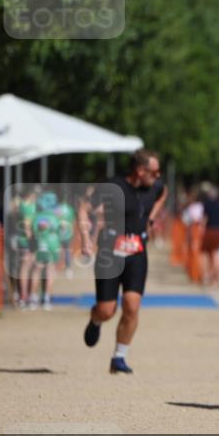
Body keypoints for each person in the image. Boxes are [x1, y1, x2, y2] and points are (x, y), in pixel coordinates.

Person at [81, 149, 167, 374]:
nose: (158, 176)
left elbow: (163, 194)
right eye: (155, 172)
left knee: (132, 306)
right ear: (140, 170)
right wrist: (85, 238)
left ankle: (119, 357)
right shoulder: (112, 186)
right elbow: (84, 207)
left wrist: (151, 218)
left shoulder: (155, 187)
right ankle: (95, 319)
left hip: (137, 253)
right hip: (110, 253)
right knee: (107, 310)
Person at [199, 184, 219, 286]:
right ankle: (215, 278)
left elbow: (204, 219)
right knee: (216, 254)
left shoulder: (207, 205)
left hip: (209, 231)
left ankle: (207, 276)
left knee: (206, 254)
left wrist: (201, 230)